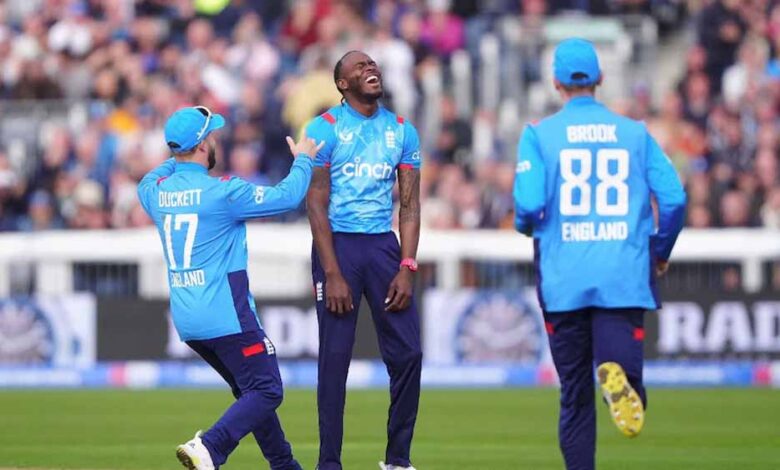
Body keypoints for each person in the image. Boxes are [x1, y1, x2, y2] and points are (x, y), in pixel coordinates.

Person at [513, 39, 687, 470]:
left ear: (556, 82)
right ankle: (622, 380)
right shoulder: (635, 134)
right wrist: (659, 250)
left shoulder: (539, 135)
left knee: (574, 395)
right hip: (622, 271)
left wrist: (527, 226)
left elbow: (528, 205)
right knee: (627, 377)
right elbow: (675, 199)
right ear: (601, 79)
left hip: (563, 276)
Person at [137, 106, 322, 470]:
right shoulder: (223, 192)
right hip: (226, 314)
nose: (216, 141)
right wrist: (303, 160)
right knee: (267, 389)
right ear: (202, 145)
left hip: (188, 321)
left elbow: (151, 177)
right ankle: (209, 446)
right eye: (212, 136)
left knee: (251, 392)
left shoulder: (155, 194)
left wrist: (180, 157)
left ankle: (284, 465)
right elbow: (287, 197)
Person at [305, 50, 422, 470]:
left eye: (373, 63)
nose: (370, 67)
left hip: (383, 248)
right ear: (343, 84)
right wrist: (332, 272)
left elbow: (409, 205)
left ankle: (397, 460)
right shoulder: (324, 128)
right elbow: (315, 203)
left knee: (409, 355)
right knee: (335, 360)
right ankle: (329, 463)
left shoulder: (402, 130)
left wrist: (407, 266)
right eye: (359, 66)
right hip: (338, 247)